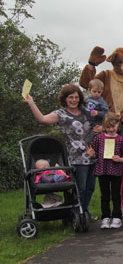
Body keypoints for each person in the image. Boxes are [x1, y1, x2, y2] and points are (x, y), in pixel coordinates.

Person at [24, 84, 96, 217]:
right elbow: (42, 119)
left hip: (92, 155)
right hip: (77, 157)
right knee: (80, 188)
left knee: (90, 188)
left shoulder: (86, 111)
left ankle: (84, 211)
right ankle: (76, 213)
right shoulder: (61, 114)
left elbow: (99, 121)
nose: (74, 100)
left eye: (76, 97)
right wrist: (31, 103)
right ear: (64, 99)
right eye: (70, 97)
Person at [86, 112, 123, 229]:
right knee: (104, 195)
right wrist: (92, 154)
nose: (110, 129)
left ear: (118, 125)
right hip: (102, 170)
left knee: (116, 194)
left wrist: (120, 159)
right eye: (108, 127)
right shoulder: (99, 138)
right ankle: (105, 217)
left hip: (116, 171)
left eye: (113, 126)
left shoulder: (121, 140)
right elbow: (95, 155)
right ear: (104, 126)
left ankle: (117, 216)